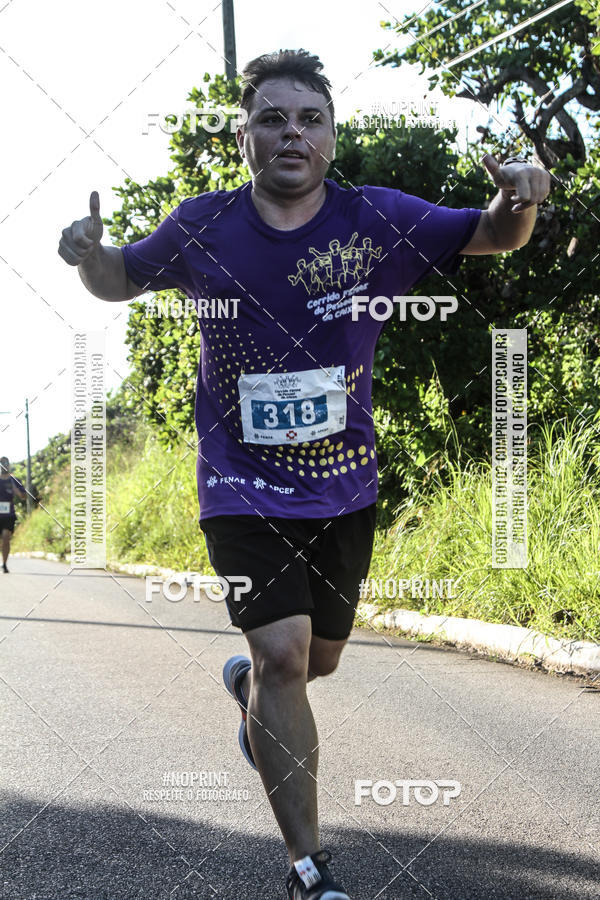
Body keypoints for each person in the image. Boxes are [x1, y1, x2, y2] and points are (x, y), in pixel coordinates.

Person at [58, 49, 550, 899]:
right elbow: (117, 279)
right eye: (274, 118)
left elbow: (495, 233)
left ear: (331, 135)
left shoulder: (377, 220)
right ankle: (309, 868)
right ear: (244, 134)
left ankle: (251, 693)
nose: (293, 131)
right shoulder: (202, 225)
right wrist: (86, 255)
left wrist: (520, 195)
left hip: (344, 483)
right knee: (286, 656)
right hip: (240, 484)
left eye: (310, 118)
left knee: (315, 661)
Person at [0, 457, 26, 573]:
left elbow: (23, 496)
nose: (4, 466)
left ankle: (4, 564)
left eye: (6, 463)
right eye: (2, 464)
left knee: (6, 538)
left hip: (8, 515)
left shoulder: (14, 480)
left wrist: (16, 489)